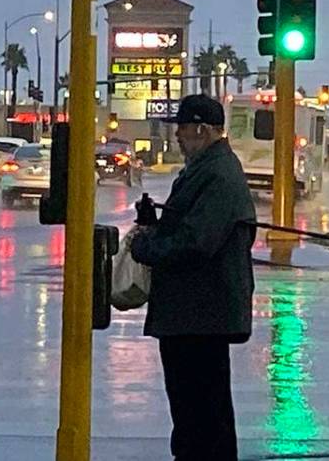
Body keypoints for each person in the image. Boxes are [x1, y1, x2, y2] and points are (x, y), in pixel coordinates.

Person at [131, 94, 256, 461]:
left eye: (182, 130)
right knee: (198, 410)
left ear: (201, 129)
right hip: (195, 314)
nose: (178, 139)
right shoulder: (207, 169)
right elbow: (193, 226)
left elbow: (197, 242)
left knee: (200, 410)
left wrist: (147, 250)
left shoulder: (218, 173)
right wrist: (155, 224)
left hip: (201, 314)